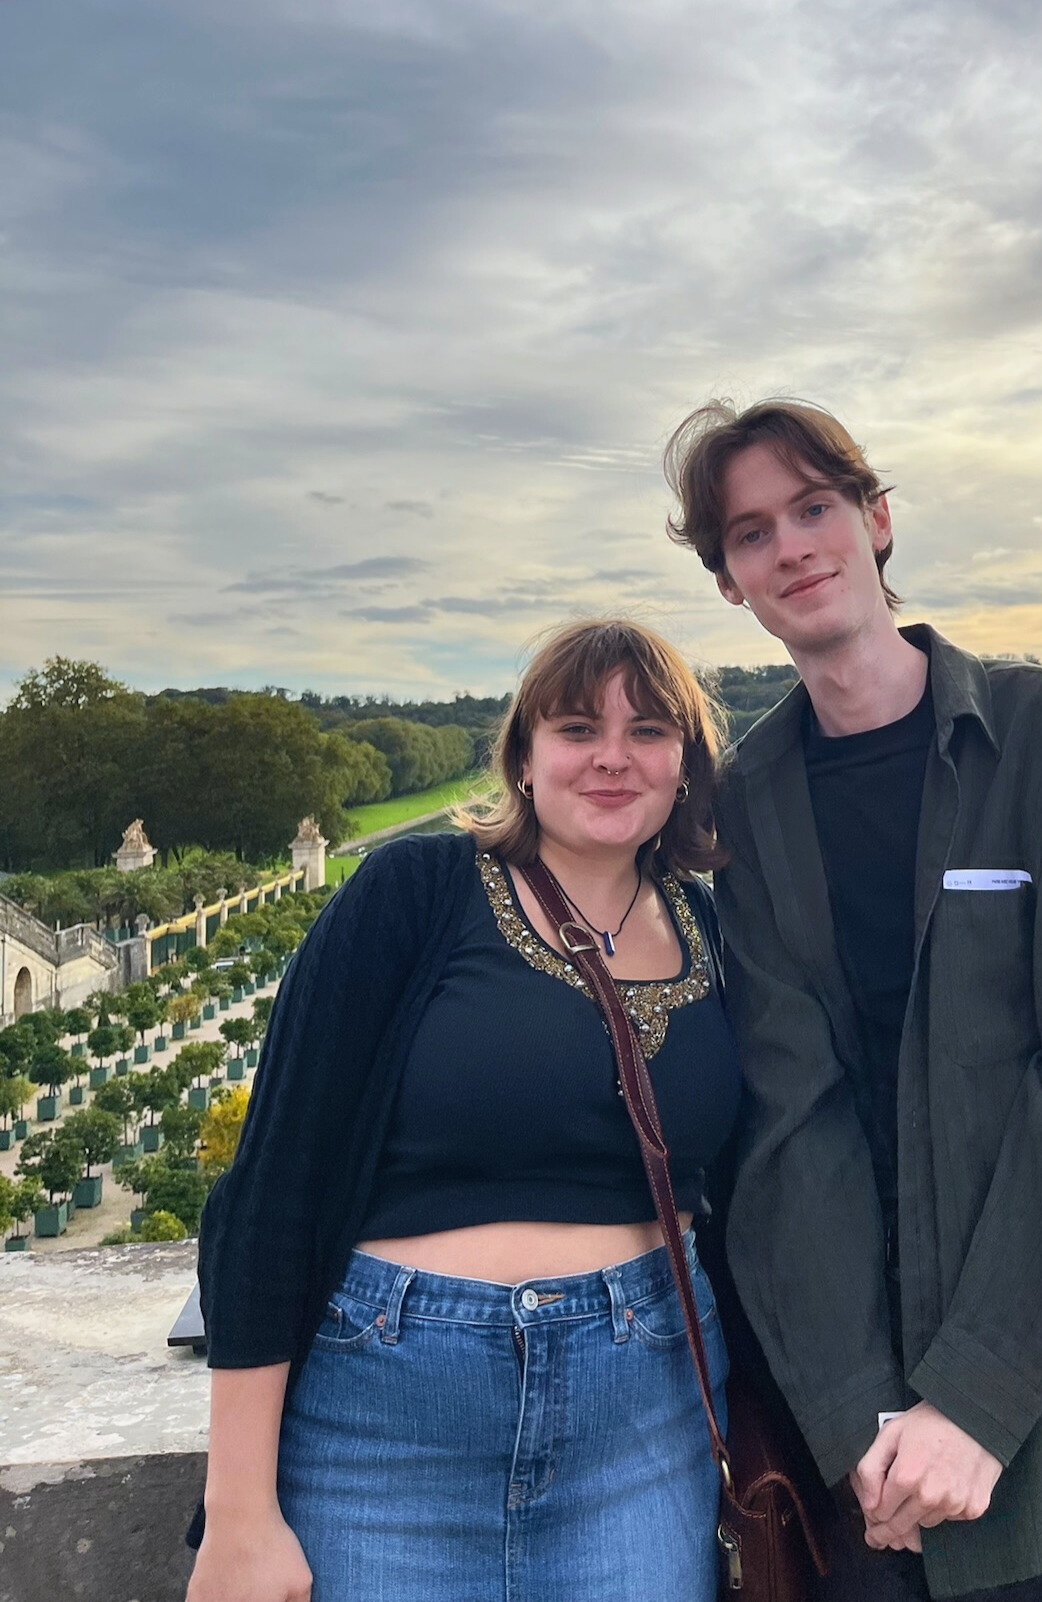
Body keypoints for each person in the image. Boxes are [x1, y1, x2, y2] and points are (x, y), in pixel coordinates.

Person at [663, 400, 1042, 1600]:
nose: (794, 547)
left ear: (875, 522)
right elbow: (787, 1128)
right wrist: (865, 1422)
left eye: (815, 508)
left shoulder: (1041, 732)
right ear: (730, 581)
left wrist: (976, 1399)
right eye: (753, 532)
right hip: (866, 1448)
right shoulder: (750, 806)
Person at [187, 619, 742, 1602]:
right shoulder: (417, 891)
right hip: (386, 1428)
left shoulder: (707, 925)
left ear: (685, 764)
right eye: (578, 728)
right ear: (525, 758)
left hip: (644, 1429)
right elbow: (272, 1186)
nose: (614, 756)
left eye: (650, 731)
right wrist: (239, 1511)